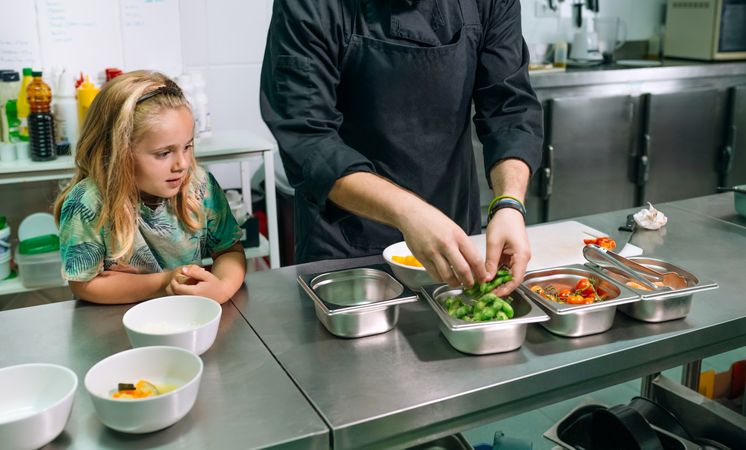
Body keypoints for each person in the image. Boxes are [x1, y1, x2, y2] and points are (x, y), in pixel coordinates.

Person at [260, 0, 543, 294]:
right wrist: (409, 212)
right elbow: (307, 136)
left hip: (455, 239)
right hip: (346, 252)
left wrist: (509, 203)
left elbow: (509, 108)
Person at [53, 71, 246, 304]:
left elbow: (229, 251)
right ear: (117, 152)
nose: (183, 164)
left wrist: (222, 289)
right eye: (164, 153)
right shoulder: (88, 202)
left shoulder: (199, 185)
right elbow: (84, 285)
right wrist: (165, 282)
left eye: (187, 146)